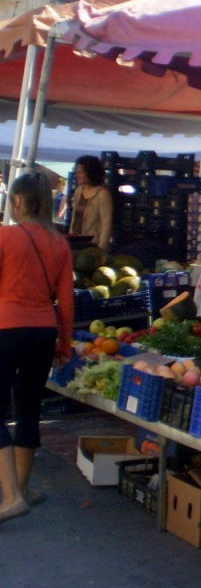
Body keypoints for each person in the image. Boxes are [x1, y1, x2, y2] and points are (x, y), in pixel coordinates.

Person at [0, 172, 74, 522]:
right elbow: (66, 300)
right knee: (28, 407)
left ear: (18, 201)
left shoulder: (5, 236)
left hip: (6, 329)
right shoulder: (59, 242)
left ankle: (11, 496)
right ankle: (25, 488)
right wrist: (65, 342)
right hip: (43, 331)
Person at [68, 155, 113, 251]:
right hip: (76, 242)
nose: (76, 175)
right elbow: (74, 219)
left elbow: (106, 224)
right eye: (76, 172)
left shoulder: (102, 194)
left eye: (80, 172)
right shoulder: (79, 191)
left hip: (93, 245)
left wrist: (101, 249)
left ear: (90, 172)